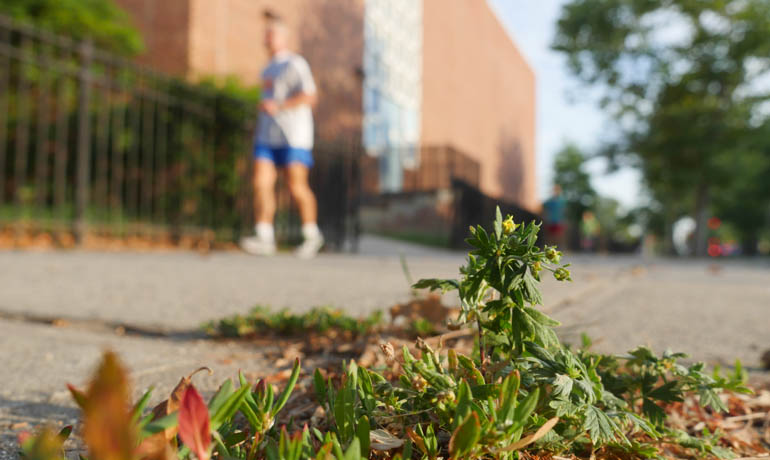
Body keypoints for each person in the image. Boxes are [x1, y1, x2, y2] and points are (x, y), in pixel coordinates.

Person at [241, 15, 323, 258]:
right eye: (265, 34)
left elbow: (310, 97)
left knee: (296, 186)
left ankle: (311, 235)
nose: (266, 38)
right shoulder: (267, 68)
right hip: (267, 136)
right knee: (261, 182)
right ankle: (264, 236)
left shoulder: (295, 64)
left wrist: (280, 106)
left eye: (272, 34)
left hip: (294, 136)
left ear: (283, 38)